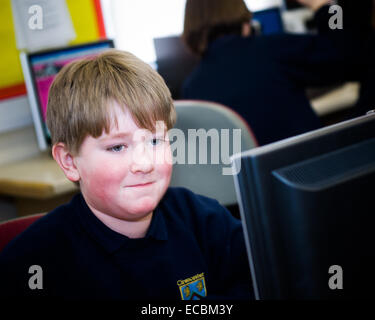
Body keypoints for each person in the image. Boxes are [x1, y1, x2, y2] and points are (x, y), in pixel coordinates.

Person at [0, 50, 252, 300]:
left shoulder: (204, 219)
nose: (144, 163)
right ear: (69, 161)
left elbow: (262, 278)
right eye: (117, 147)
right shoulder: (35, 262)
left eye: (155, 141)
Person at [182, 0, 375, 146]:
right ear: (246, 21)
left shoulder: (190, 87)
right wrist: (325, 7)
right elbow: (351, 53)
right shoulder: (269, 50)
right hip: (310, 176)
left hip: (254, 192)